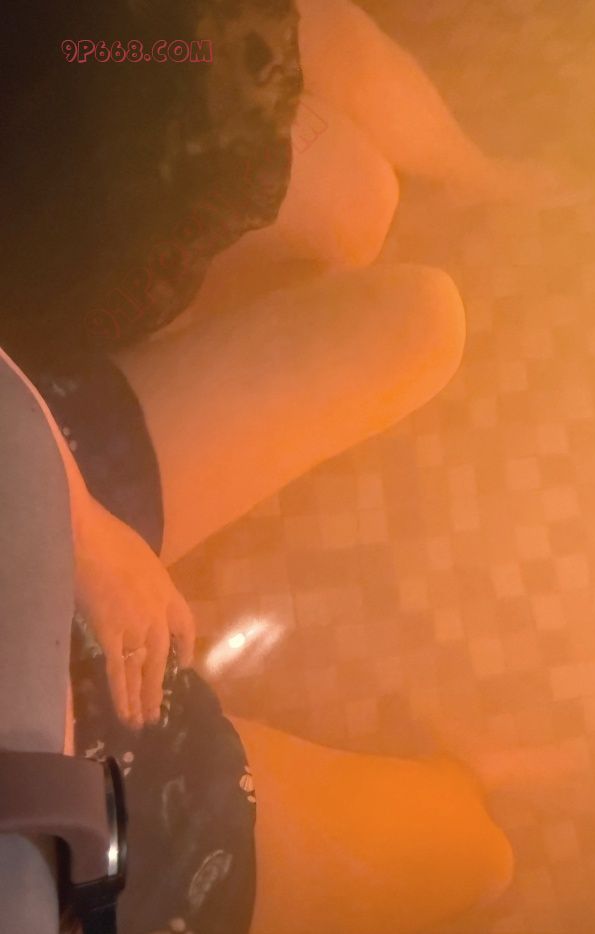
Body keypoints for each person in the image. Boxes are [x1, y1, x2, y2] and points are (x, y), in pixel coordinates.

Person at [1, 0, 528, 929]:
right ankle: (452, 782)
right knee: (478, 849)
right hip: (71, 843)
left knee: (423, 322)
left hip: (26, 503)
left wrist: (81, 528)